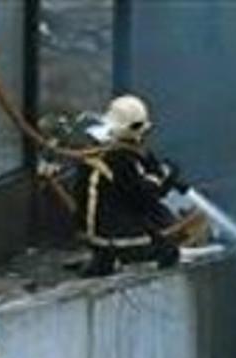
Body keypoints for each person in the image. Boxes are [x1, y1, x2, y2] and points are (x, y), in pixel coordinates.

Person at [76, 94, 184, 278]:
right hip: (118, 239)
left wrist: (158, 172)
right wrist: (165, 175)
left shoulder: (100, 148)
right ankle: (128, 255)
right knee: (168, 241)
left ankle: (104, 259)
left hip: (96, 237)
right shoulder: (121, 159)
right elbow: (146, 196)